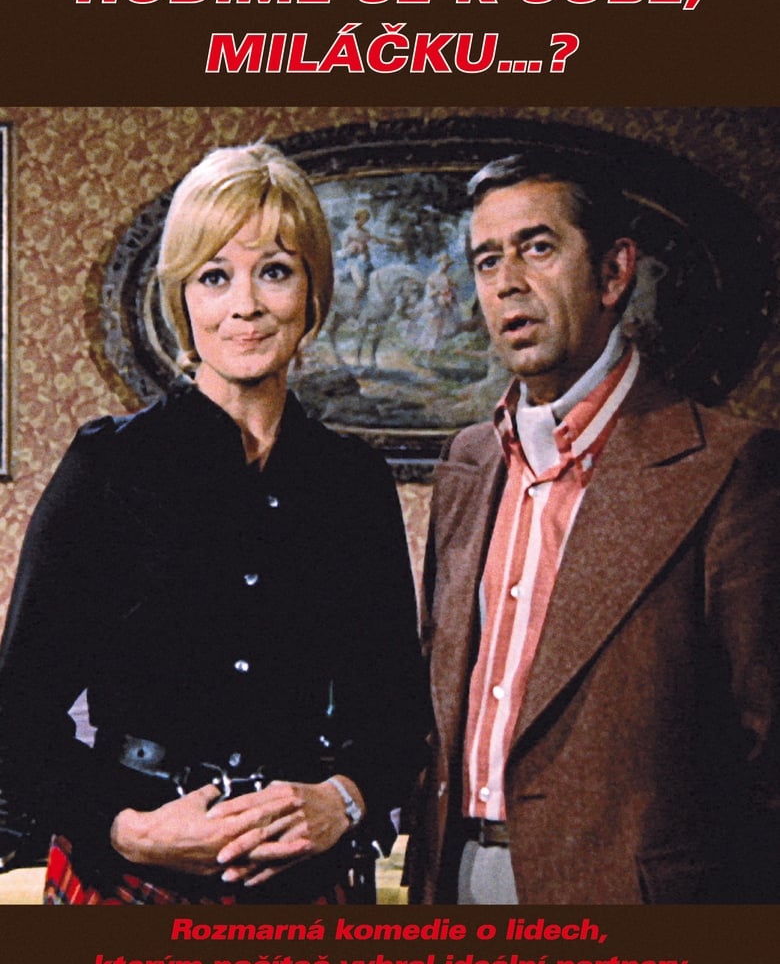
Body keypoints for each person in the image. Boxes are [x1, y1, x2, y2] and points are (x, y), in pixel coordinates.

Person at [0, 141, 426, 905]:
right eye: (215, 276)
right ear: (183, 298)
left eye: (275, 271)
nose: (245, 305)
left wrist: (346, 800)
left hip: (302, 881)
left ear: (312, 292)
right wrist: (122, 828)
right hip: (129, 875)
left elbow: (395, 718)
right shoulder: (109, 467)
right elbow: (15, 717)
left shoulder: (352, 483)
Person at [406, 150, 780, 905]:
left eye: (537, 248)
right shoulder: (469, 462)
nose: (507, 281)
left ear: (613, 272)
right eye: (487, 260)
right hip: (454, 880)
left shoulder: (731, 465)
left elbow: (765, 755)